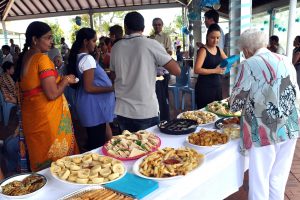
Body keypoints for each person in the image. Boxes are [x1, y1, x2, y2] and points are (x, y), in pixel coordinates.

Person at [229, 28, 300, 200]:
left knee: (260, 180)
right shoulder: (286, 60)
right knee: (278, 178)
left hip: (265, 129)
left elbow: (235, 103)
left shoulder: (249, 64)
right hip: (290, 125)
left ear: (246, 49)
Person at [15, 21, 79, 172]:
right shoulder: (42, 59)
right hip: (47, 120)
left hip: (32, 118)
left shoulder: (24, 59)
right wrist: (65, 80)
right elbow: (52, 94)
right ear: (35, 40)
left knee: (40, 159)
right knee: (59, 165)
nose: (52, 42)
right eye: (48, 38)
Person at [110, 11, 180, 132]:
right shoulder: (151, 44)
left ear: (125, 27)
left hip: (123, 110)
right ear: (143, 27)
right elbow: (177, 70)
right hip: (145, 110)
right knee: (149, 147)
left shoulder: (116, 47)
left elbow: (113, 76)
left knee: (128, 148)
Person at [67, 28, 115, 151]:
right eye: (93, 41)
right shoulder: (87, 59)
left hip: (88, 103)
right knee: (97, 143)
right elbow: (89, 87)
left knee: (96, 137)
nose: (95, 44)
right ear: (85, 41)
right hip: (92, 104)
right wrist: (111, 88)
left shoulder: (79, 57)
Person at [194, 24, 227, 109]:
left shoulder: (219, 49)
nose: (215, 40)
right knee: (205, 115)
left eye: (218, 38)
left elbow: (227, 61)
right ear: (207, 36)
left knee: (217, 112)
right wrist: (215, 71)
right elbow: (197, 70)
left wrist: (228, 65)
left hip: (217, 86)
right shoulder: (203, 50)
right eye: (213, 37)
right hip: (205, 88)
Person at [150, 17, 173, 121]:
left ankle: (165, 117)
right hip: (152, 71)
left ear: (162, 25)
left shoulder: (166, 37)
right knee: (155, 94)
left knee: (164, 94)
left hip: (163, 70)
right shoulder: (150, 38)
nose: (157, 26)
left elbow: (170, 52)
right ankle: (157, 115)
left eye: (159, 24)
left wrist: (159, 55)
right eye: (155, 24)